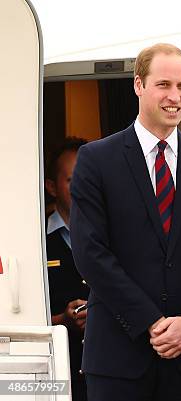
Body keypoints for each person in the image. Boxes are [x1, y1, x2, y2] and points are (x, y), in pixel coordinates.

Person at [70, 43, 181, 401]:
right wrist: (151, 322)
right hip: (117, 355)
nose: (175, 96)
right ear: (138, 85)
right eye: (164, 85)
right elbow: (89, 253)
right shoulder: (97, 159)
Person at [45, 136, 89, 401]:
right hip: (52, 375)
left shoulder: (117, 237)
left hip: (107, 374)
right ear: (51, 187)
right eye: (73, 181)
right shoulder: (34, 241)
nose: (83, 189)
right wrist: (63, 320)